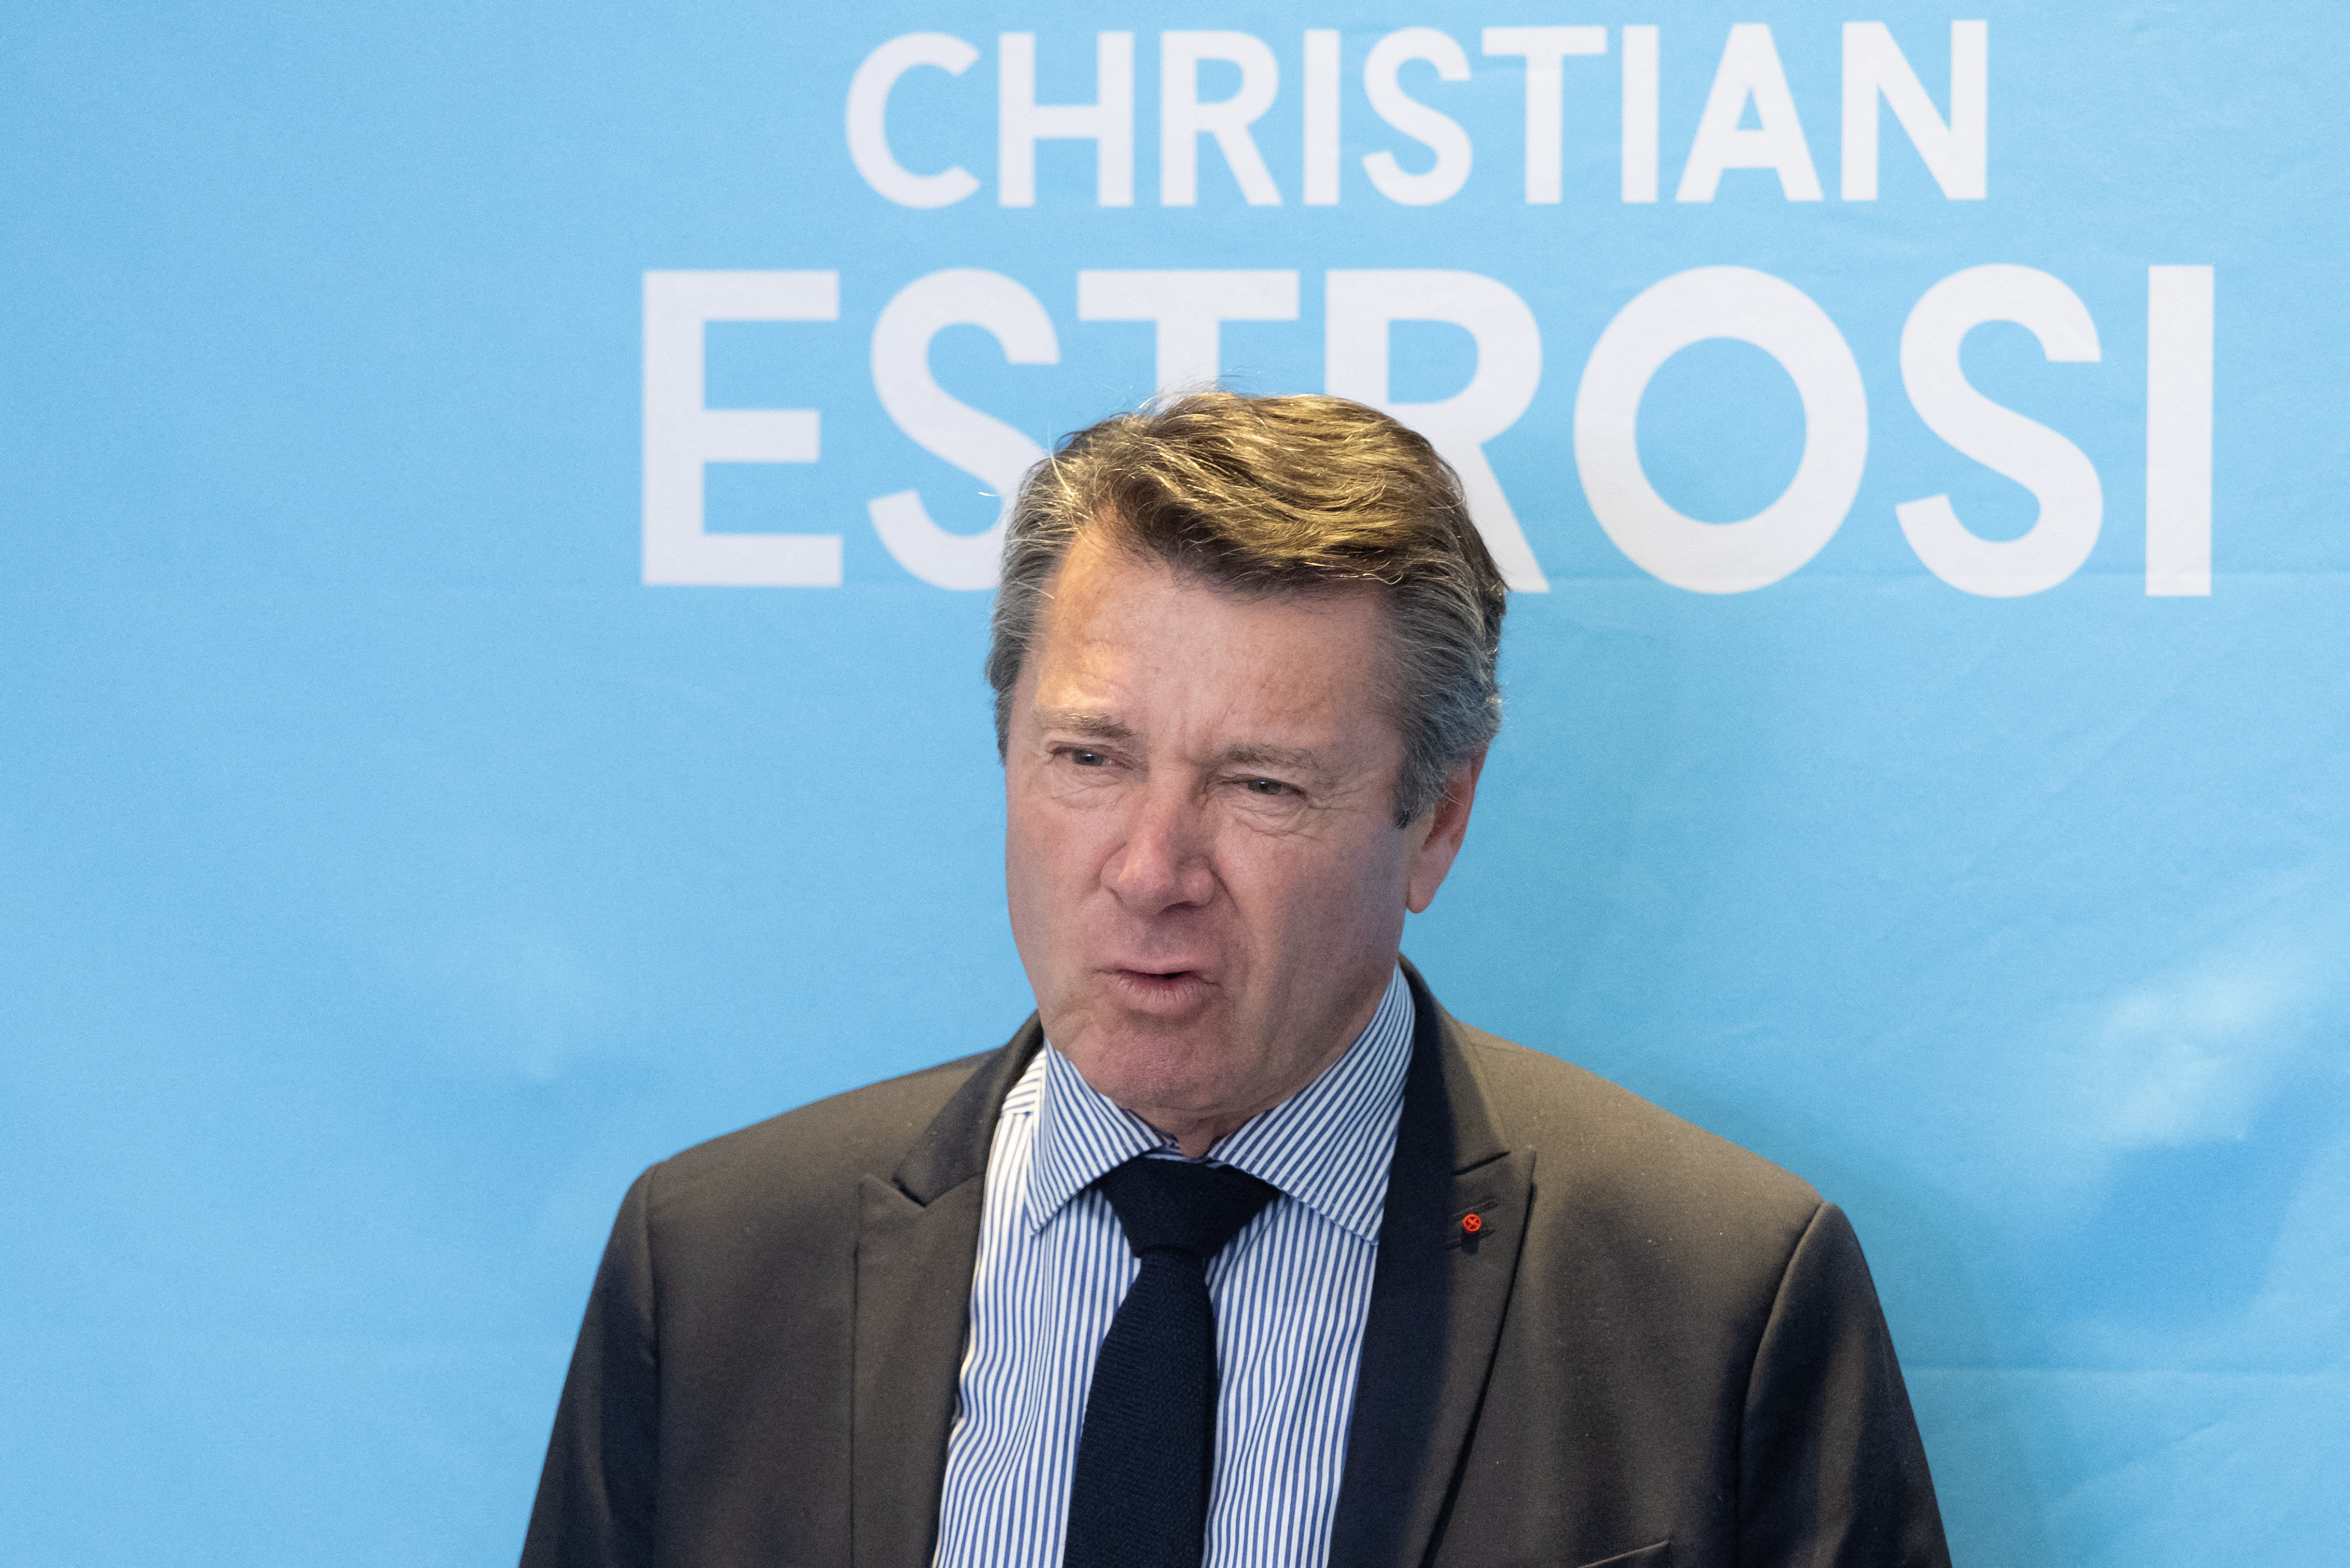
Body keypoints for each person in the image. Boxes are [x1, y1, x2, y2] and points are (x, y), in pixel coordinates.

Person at [522, 392, 1951, 1568]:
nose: (1152, 869)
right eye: (1091, 758)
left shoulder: (1724, 1298)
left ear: (1438, 820)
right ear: (1007, 750)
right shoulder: (711, 1272)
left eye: (1262, 785)